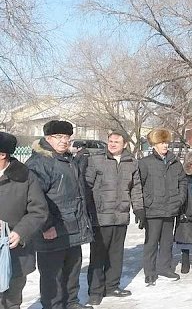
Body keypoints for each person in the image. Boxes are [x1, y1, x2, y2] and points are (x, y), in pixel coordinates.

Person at [25, 120, 94, 309]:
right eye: (59, 137)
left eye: (67, 137)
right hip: (53, 229)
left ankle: (71, 302)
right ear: (48, 138)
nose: (64, 141)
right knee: (52, 276)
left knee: (72, 270)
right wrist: (46, 226)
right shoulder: (39, 163)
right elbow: (35, 199)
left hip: (73, 226)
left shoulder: (68, 160)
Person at [84, 131, 144, 305]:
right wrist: (88, 210)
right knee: (98, 255)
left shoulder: (131, 162)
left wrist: (138, 209)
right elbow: (87, 186)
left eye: (117, 142)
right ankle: (95, 291)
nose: (112, 144)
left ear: (125, 144)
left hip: (121, 216)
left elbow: (136, 188)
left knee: (116, 254)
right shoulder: (96, 159)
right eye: (110, 141)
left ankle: (112, 286)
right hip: (100, 216)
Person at [0, 132, 48, 309]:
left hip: (16, 252)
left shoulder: (25, 177)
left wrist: (20, 232)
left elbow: (38, 211)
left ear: (3, 154)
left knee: (12, 300)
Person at [138, 128, 187, 285]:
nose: (164, 145)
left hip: (171, 208)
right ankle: (150, 271)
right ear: (154, 144)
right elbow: (138, 185)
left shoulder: (174, 161)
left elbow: (183, 181)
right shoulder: (145, 163)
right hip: (152, 210)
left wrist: (180, 199)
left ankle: (165, 267)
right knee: (151, 242)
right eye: (161, 143)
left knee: (167, 241)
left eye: (166, 142)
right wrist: (146, 202)